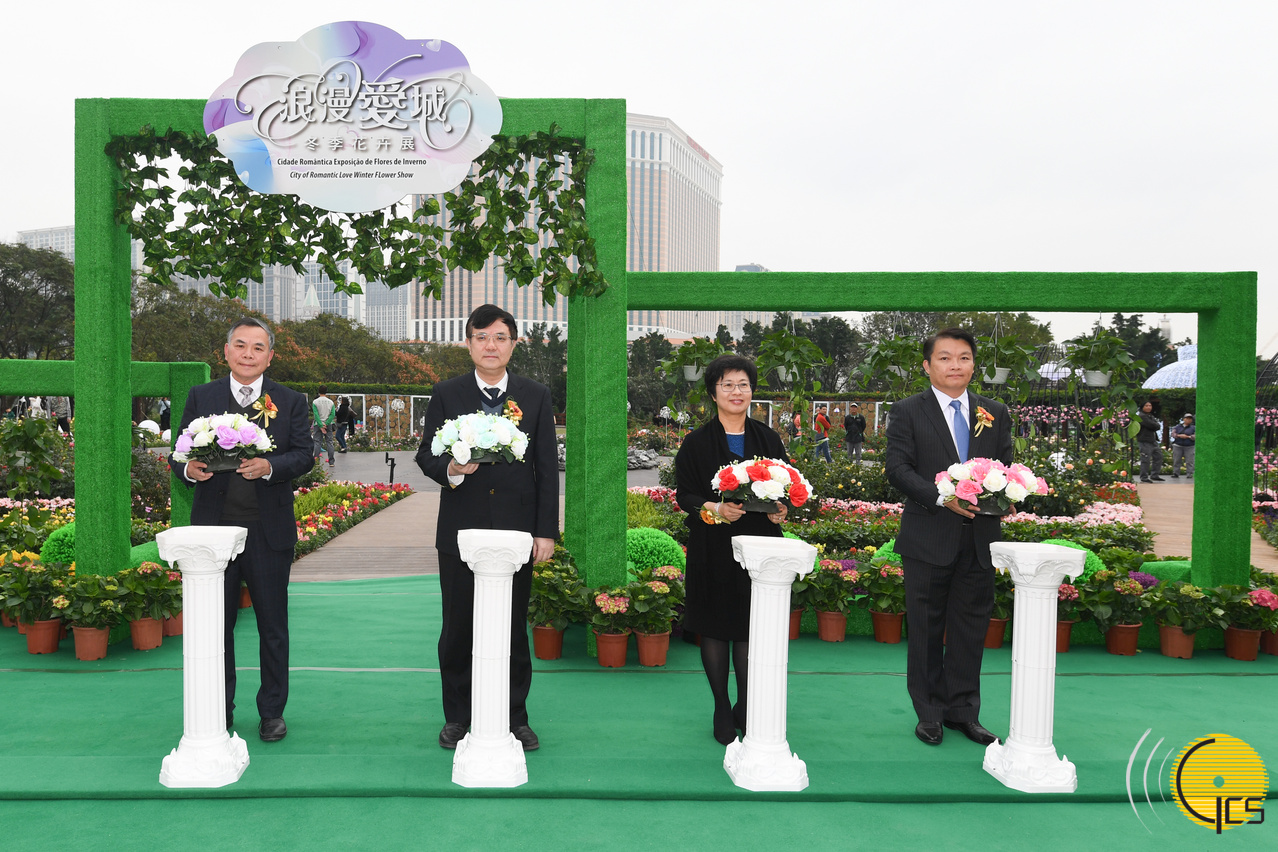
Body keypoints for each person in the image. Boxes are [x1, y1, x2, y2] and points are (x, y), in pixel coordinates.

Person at [415, 304, 558, 753]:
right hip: (461, 529)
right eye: (481, 337)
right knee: (458, 628)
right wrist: (452, 469)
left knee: (512, 628)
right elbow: (426, 454)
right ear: (468, 343)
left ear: (514, 343)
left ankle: (515, 716)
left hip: (517, 531)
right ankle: (458, 716)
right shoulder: (447, 393)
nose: (490, 345)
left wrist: (545, 532)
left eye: (499, 337)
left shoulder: (535, 395)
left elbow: (546, 468)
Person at [169, 317, 313, 742]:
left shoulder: (289, 400)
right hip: (214, 533)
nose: (248, 354)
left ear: (270, 356)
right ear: (226, 351)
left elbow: (304, 454)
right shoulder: (202, 396)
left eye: (258, 347)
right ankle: (220, 708)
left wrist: (270, 466)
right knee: (216, 626)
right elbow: (180, 451)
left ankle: (272, 712)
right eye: (240, 345)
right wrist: (190, 470)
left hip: (268, 532)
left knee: (273, 626)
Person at [885, 328, 1012, 748]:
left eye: (963, 357)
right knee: (925, 629)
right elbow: (898, 469)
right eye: (944, 358)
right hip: (928, 536)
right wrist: (942, 498)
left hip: (980, 539)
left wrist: (1007, 495)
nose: (954, 365)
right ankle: (929, 714)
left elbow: (1004, 466)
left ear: (974, 365)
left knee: (970, 629)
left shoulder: (995, 411)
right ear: (927, 366)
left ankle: (963, 712)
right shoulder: (907, 411)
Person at [675, 354, 789, 745]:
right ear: (713, 393)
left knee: (749, 627)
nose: (736, 392)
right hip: (713, 545)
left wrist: (782, 509)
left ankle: (745, 704)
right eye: (727, 385)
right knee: (714, 625)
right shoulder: (696, 442)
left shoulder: (768, 439)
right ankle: (722, 707)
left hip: (759, 547)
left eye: (743, 384)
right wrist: (715, 507)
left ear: (752, 391)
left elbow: (784, 488)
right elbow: (685, 495)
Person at [1137, 401, 1165, 483]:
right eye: (1146, 406)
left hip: (1153, 440)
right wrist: (1155, 425)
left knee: (1158, 456)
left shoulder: (1150, 416)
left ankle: (1154, 475)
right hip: (1145, 440)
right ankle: (1144, 477)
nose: (1149, 407)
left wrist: (1155, 425)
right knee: (1145, 459)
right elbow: (1153, 425)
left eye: (1150, 405)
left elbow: (1157, 426)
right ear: (1142, 407)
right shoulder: (1142, 416)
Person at [311, 386, 336, 467]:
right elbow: (332, 414)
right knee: (329, 442)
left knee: (317, 442)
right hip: (328, 425)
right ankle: (331, 461)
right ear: (326, 392)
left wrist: (321, 425)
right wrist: (327, 423)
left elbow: (316, 414)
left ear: (319, 391)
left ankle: (316, 461)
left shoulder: (315, 402)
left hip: (317, 425)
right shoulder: (331, 402)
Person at [1170, 413, 1195, 480]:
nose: (1188, 420)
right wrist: (1179, 435)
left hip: (1189, 446)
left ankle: (1190, 474)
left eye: (1190, 419)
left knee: (1189, 461)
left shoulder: (1193, 428)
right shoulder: (1177, 427)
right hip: (1178, 445)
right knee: (1176, 460)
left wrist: (1188, 437)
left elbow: (1196, 436)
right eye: (1187, 418)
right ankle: (1176, 473)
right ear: (1184, 419)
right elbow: (1173, 434)